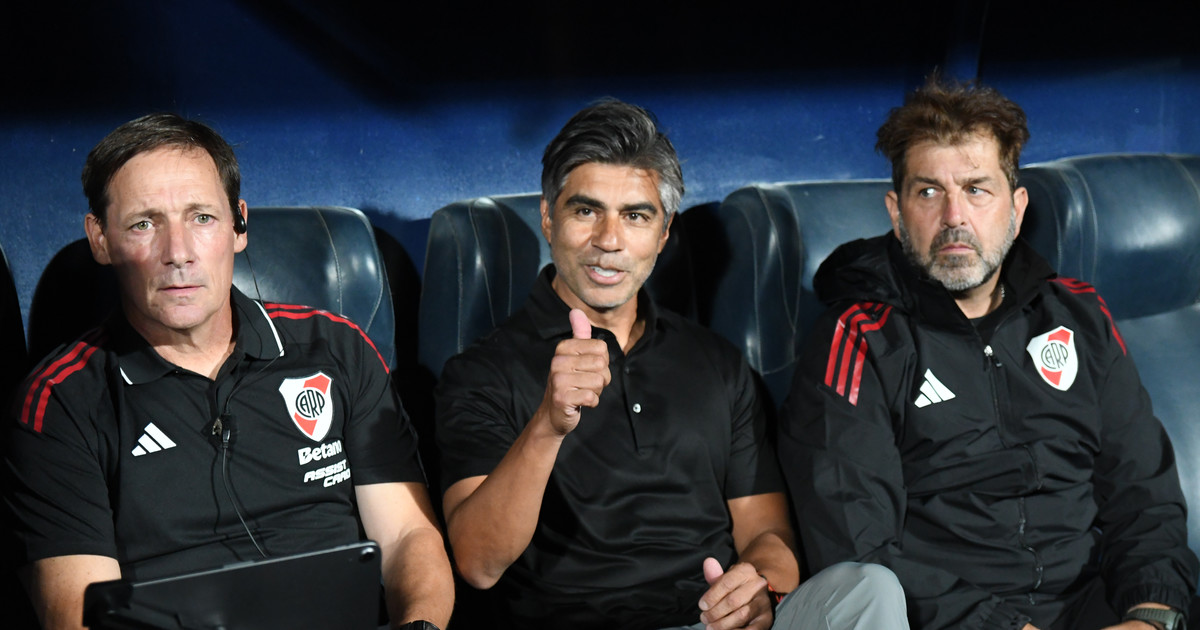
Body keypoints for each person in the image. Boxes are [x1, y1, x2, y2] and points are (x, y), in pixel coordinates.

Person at [435, 99, 908, 630]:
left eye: (635, 216)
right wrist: (547, 426)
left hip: (707, 621)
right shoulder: (481, 373)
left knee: (870, 588)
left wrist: (759, 591)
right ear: (549, 217)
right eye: (586, 211)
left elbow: (766, 534)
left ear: (662, 234)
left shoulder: (716, 362)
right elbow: (478, 563)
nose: (609, 241)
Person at [3, 114, 454, 630]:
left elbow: (407, 538)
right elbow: (79, 615)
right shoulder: (61, 402)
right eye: (144, 224)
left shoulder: (337, 348)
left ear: (239, 225)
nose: (177, 254)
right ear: (101, 239)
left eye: (201, 217)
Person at [778, 76, 1199, 630]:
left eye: (977, 189)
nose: (954, 217)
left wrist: (1151, 613)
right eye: (929, 192)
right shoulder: (860, 338)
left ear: (1017, 209)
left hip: (1095, 607)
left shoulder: (1079, 316)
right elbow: (857, 547)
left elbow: (1144, 497)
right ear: (897, 214)